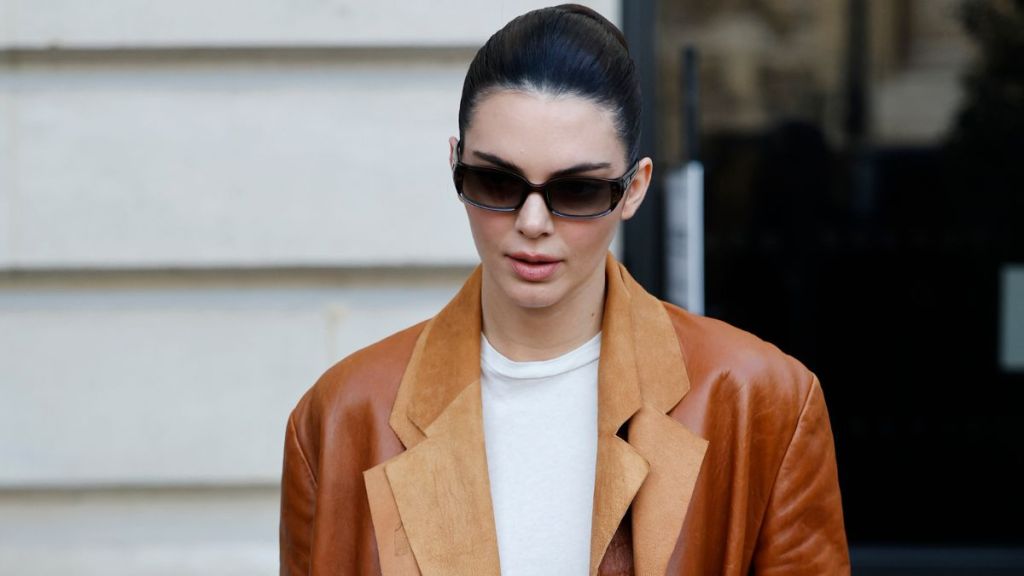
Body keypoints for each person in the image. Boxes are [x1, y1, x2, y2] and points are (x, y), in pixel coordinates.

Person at [279, 4, 849, 575]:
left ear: (633, 190)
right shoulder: (342, 416)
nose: (532, 222)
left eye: (577, 190)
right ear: (456, 166)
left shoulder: (763, 402)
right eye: (497, 181)